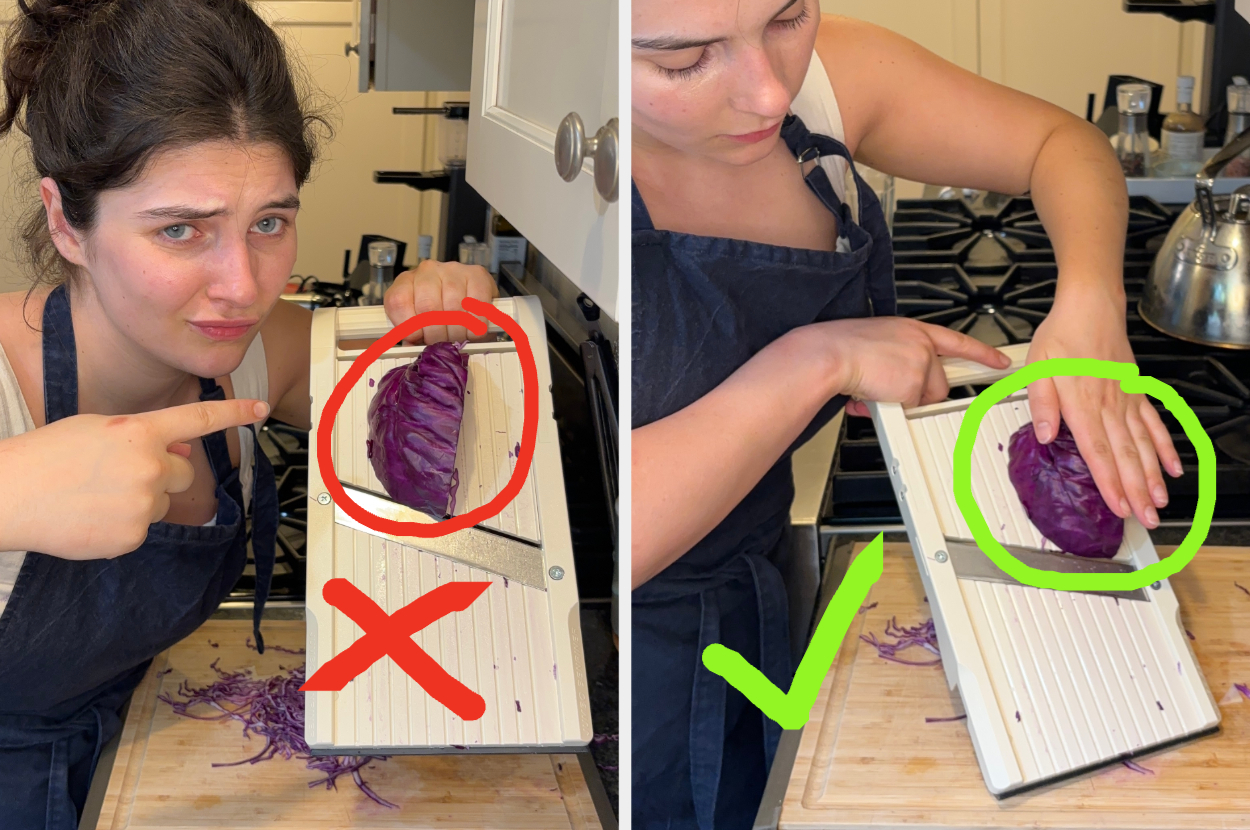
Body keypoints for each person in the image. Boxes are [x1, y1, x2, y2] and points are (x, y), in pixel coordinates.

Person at [631, 3, 1184, 827]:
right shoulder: (577, 166)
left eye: (788, 17)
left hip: (760, 588)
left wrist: (1092, 299)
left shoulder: (829, 82)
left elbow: (1061, 145)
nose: (771, 95)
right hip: (639, 670)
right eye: (683, 63)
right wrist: (818, 361)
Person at [0, 1, 494, 826]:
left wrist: (442, 320)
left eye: (268, 222)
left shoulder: (263, 351)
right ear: (66, 222)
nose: (243, 285)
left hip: (136, 759)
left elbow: (427, 414)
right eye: (181, 230)